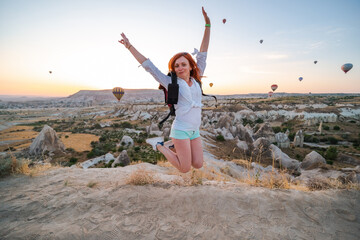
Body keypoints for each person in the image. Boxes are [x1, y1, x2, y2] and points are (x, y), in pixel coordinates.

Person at [119, 7, 211, 173]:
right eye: (177, 65)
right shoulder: (170, 82)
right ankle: (160, 146)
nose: (180, 67)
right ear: (174, 69)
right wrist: (129, 47)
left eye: (184, 64)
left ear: (191, 66)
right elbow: (149, 66)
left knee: (198, 164)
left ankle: (170, 145)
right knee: (184, 168)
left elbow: (203, 52)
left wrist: (207, 26)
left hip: (194, 130)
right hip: (181, 129)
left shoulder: (197, 79)